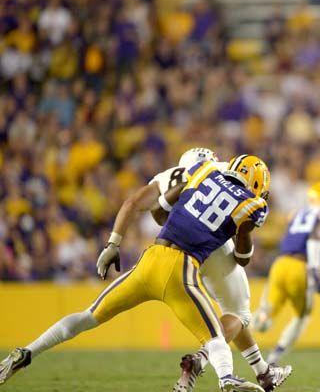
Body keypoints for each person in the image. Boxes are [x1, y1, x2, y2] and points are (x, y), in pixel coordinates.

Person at [0, 154, 271, 392]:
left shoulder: (204, 170)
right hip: (181, 268)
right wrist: (237, 230)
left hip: (150, 259)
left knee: (87, 316)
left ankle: (26, 352)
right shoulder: (253, 205)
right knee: (214, 338)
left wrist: (116, 243)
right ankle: (227, 380)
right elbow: (243, 257)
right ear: (257, 183)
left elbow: (160, 207)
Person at [150, 149, 291, 392]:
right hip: (211, 246)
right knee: (239, 313)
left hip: (175, 247)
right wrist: (245, 230)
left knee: (234, 311)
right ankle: (200, 359)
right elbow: (243, 257)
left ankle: (264, 372)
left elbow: (154, 210)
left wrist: (114, 242)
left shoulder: (170, 176)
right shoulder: (222, 175)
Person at [253, 181, 320, 363]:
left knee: (268, 312)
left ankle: (258, 320)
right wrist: (314, 271)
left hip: (280, 264)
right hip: (300, 267)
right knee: (302, 316)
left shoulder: (297, 212)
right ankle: (275, 356)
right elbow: (317, 238)